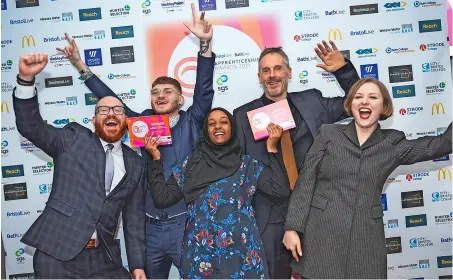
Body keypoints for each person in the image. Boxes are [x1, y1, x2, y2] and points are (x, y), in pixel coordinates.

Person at [57, 4, 214, 278]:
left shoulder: (193, 119)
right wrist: (81, 67)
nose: (161, 96)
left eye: (168, 91)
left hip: (186, 223)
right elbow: (111, 101)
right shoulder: (141, 123)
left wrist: (204, 45)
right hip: (149, 227)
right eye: (155, 92)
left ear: (181, 99)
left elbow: (204, 88)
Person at [283, 77, 452, 279]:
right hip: (322, 234)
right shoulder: (329, 134)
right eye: (358, 97)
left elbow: (439, 145)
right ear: (351, 104)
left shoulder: (392, 143)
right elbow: (306, 182)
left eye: (373, 97)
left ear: (384, 106)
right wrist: (293, 227)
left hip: (366, 240)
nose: (365, 102)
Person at [232, 41, 361, 278]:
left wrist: (344, 71)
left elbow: (358, 102)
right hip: (269, 215)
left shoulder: (312, 101)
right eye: (266, 70)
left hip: (314, 209)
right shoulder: (242, 116)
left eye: (278, 68)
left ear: (289, 73)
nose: (272, 76)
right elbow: (239, 169)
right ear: (259, 77)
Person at [13, 53, 147, 279]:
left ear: (126, 121)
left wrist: (137, 266)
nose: (111, 113)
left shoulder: (136, 162)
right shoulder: (73, 139)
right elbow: (31, 127)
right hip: (57, 253)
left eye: (118, 110)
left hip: (104, 258)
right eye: (103, 110)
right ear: (93, 120)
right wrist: (26, 81)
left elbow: (134, 220)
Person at [144, 108, 291, 279]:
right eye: (211, 124)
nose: (217, 127)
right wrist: (154, 158)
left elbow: (280, 190)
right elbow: (162, 198)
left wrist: (272, 148)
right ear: (205, 131)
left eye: (223, 122)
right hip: (201, 254)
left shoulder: (247, 164)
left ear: (232, 128)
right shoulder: (190, 165)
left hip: (241, 253)